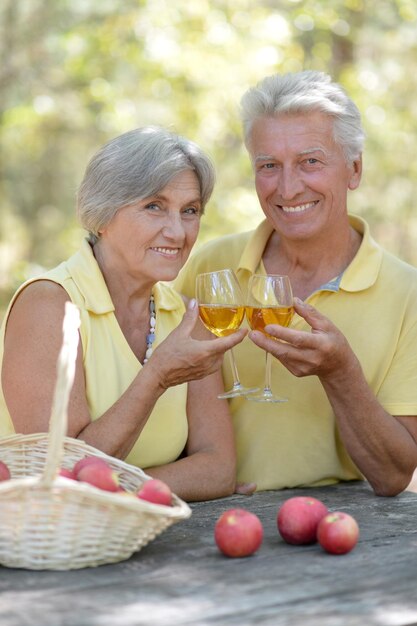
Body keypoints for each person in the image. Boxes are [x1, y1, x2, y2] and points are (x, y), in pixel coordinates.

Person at [175, 70, 417, 497]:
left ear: (354, 169)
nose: (288, 188)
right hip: (211, 525)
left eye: (311, 161)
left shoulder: (409, 294)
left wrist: (341, 373)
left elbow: (394, 474)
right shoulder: (211, 267)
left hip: (341, 532)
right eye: (269, 166)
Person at [0, 126, 248, 502]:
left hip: (148, 543)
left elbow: (218, 469)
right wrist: (157, 376)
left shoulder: (185, 317)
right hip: (46, 545)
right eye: (154, 207)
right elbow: (64, 476)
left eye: (190, 211)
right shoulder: (49, 305)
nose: (178, 232)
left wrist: (122, 487)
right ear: (102, 215)